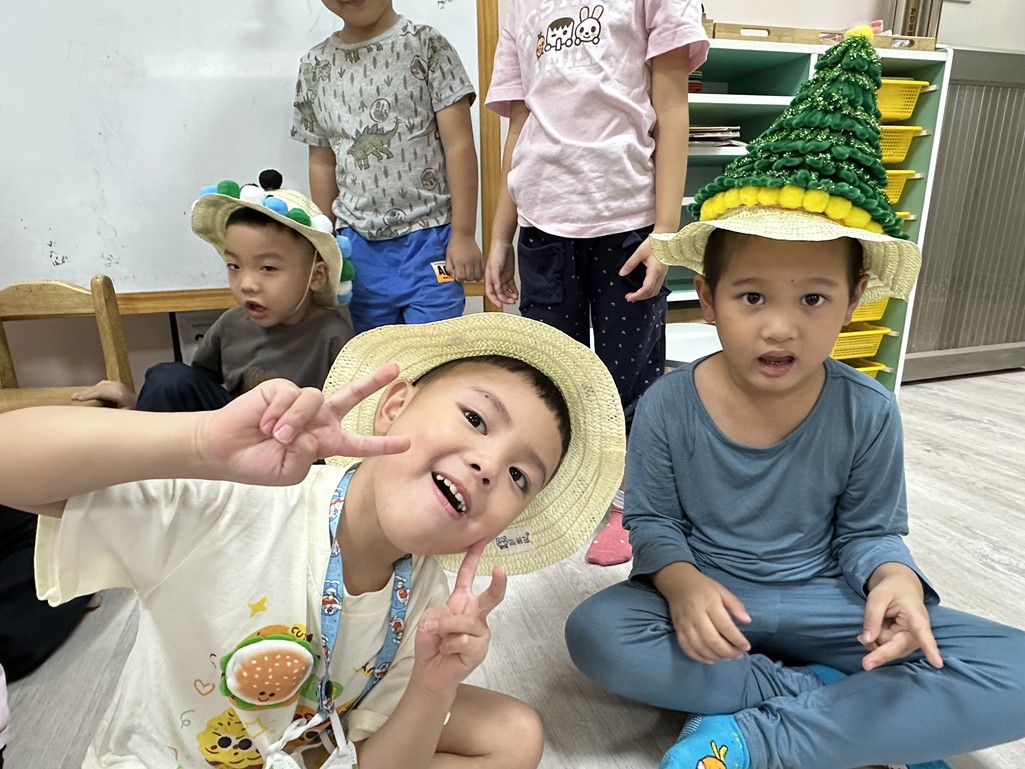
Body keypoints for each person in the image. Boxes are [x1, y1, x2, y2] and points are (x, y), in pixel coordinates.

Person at [563, 27, 1025, 769]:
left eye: (813, 298)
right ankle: (842, 707)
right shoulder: (667, 405)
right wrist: (681, 584)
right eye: (752, 297)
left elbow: (869, 532)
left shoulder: (867, 409)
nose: (780, 327)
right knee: (596, 633)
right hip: (712, 596)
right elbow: (653, 524)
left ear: (853, 300)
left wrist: (895, 579)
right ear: (708, 298)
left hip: (828, 601)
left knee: (1016, 669)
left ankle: (758, 735)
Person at [0, 311, 625, 768]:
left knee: (516, 735)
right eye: (475, 418)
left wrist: (432, 686)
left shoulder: (429, 596)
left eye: (520, 477)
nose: (490, 465)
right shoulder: (245, 501)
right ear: (393, 406)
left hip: (303, 743)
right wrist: (199, 444)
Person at [484, 0, 709, 567]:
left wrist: (666, 231)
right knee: (547, 375)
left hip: (627, 223)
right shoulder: (519, 7)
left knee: (628, 376)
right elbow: (519, 127)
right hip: (542, 226)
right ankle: (556, 487)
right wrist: (500, 235)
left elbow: (672, 106)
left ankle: (630, 502)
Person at [73, 170, 355, 412]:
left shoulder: (333, 335)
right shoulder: (231, 324)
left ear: (316, 276)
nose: (247, 283)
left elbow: (346, 417)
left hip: (296, 440)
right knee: (168, 378)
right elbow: (189, 392)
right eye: (234, 266)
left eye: (268, 268)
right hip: (230, 435)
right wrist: (137, 402)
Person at [292, 0, 482, 334]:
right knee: (374, 356)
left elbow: (459, 146)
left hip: (430, 238)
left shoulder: (427, 44)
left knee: (435, 353)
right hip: (356, 247)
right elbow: (322, 161)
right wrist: (325, 244)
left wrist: (464, 235)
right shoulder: (313, 66)